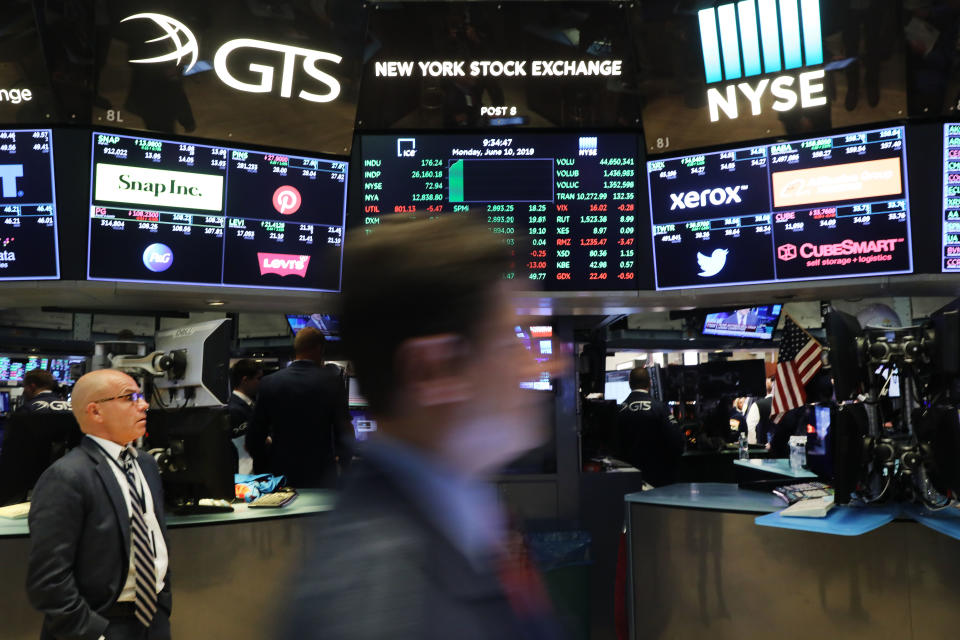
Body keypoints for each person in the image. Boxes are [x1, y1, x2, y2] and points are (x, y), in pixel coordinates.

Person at [279, 215, 563, 640]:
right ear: (433, 371)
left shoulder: (460, 519)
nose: (548, 362)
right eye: (510, 342)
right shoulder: (379, 605)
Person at [26, 369, 171, 640]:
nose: (144, 404)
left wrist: (163, 604)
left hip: (153, 618)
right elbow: (49, 580)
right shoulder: (66, 476)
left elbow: (154, 538)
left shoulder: (146, 464)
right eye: (131, 397)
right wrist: (93, 634)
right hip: (99, 623)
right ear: (95, 412)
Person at [245, 327, 352, 487]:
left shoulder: (270, 383)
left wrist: (264, 469)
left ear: (296, 348)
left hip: (281, 476)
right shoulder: (332, 383)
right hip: (321, 476)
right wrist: (344, 467)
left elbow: (255, 437)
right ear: (320, 349)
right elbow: (344, 431)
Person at [614, 367, 685, 487]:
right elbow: (677, 441)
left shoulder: (618, 411)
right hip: (657, 476)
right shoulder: (660, 408)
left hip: (627, 477)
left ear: (629, 384)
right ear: (650, 383)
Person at [227, 359, 262, 475]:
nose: (260, 383)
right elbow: (247, 446)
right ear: (245, 380)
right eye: (258, 378)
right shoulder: (234, 409)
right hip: (245, 473)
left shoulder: (251, 404)